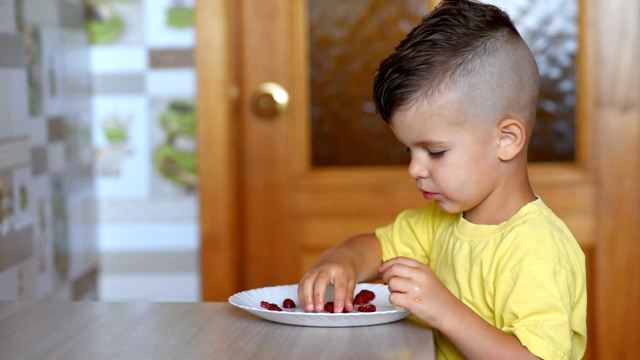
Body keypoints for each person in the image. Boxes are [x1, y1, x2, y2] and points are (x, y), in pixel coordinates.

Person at [297, 0, 587, 359]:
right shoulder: (442, 222)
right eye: (409, 152)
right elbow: (375, 247)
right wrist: (342, 260)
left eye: (434, 152)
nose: (415, 170)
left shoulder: (538, 251)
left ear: (507, 140)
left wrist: (444, 310)